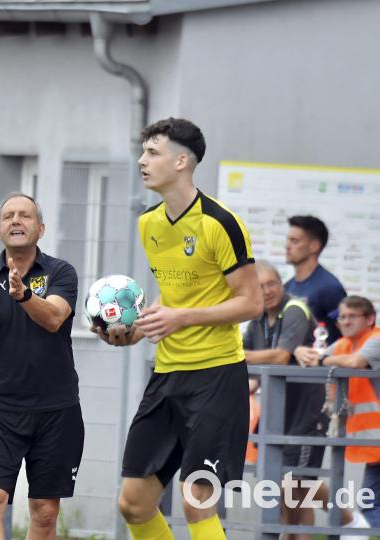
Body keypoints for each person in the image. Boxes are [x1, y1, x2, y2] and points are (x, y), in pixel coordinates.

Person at [97, 118, 262, 540]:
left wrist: (182, 318)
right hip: (167, 375)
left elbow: (251, 302)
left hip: (216, 377)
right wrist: (131, 331)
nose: (142, 161)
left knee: (196, 502)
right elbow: (171, 300)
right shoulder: (148, 223)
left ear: (182, 160)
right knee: (133, 504)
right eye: (143, 152)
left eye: (153, 152)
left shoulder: (219, 223)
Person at [0, 192, 84, 540]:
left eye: (25, 215)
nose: (16, 220)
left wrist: (23, 296)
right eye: (8, 216)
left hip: (56, 409)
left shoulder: (61, 271)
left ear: (41, 228)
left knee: (45, 512)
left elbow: (55, 318)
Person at [243, 261, 368, 537]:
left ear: (281, 284)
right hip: (278, 411)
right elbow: (253, 373)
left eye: (272, 284)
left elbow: (278, 357)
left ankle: (349, 519)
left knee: (296, 485)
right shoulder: (257, 319)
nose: (267, 291)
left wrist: (238, 356)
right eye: (260, 287)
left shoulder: (295, 310)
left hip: (307, 411)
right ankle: (319, 528)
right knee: (284, 485)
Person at [296, 295, 380, 533]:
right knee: (369, 504)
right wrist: (301, 351)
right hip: (376, 445)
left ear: (370, 319)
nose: (345, 321)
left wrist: (320, 359)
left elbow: (354, 362)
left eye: (353, 316)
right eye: (342, 317)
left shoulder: (377, 339)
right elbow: (316, 356)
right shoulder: (342, 344)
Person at [285, 215, 347, 343]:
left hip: (319, 361)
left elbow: (348, 332)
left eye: (294, 241)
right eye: (288, 240)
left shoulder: (329, 288)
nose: (287, 246)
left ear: (314, 246)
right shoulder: (287, 287)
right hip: (290, 361)